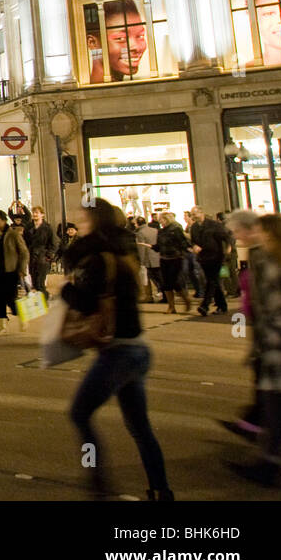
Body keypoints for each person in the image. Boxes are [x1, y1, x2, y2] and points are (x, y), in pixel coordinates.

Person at [61, 198, 172, 500]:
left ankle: (99, 484)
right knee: (139, 426)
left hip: (118, 352)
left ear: (95, 221)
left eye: (83, 218)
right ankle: (161, 490)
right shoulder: (123, 252)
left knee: (80, 413)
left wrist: (65, 289)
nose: (77, 224)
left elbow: (85, 302)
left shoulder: (98, 258)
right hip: (137, 349)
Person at [226, 213, 281, 486]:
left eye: (262, 232)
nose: (258, 235)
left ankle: (268, 466)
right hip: (275, 347)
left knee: (275, 406)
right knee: (275, 407)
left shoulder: (276, 265)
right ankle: (267, 462)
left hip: (279, 349)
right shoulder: (269, 259)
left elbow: (277, 312)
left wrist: (265, 341)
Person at [0, 210, 28, 335]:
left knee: (10, 298)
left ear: (4, 221)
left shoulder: (12, 234)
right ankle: (3, 326)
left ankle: (22, 315)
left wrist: (21, 269)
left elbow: (24, 252)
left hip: (11, 271)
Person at [191, 208, 230, 317]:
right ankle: (222, 305)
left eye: (195, 213)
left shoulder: (213, 225)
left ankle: (205, 305)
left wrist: (228, 248)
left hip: (215, 256)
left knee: (211, 281)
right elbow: (193, 241)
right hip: (203, 257)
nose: (193, 216)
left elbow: (226, 236)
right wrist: (194, 246)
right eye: (192, 214)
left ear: (201, 212)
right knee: (213, 281)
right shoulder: (194, 227)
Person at [156, 211, 192, 314]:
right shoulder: (161, 231)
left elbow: (182, 242)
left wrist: (188, 249)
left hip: (175, 258)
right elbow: (158, 245)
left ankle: (186, 300)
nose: (160, 222)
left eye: (161, 220)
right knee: (166, 284)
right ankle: (171, 306)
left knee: (175, 282)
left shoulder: (175, 229)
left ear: (166, 219)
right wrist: (154, 247)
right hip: (163, 258)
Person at [28, 207, 57, 300]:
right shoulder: (28, 227)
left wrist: (48, 256)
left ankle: (44, 302)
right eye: (33, 212)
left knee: (40, 283)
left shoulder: (47, 228)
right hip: (32, 258)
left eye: (37, 213)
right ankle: (46, 298)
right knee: (35, 284)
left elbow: (53, 244)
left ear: (42, 215)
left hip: (42, 258)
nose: (34, 214)